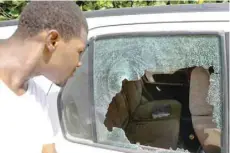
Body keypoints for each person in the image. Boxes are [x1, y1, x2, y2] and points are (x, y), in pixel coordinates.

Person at [0, 1, 88, 153]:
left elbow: (47, 149)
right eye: (79, 51)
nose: (79, 63)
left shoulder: (35, 94)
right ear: (52, 40)